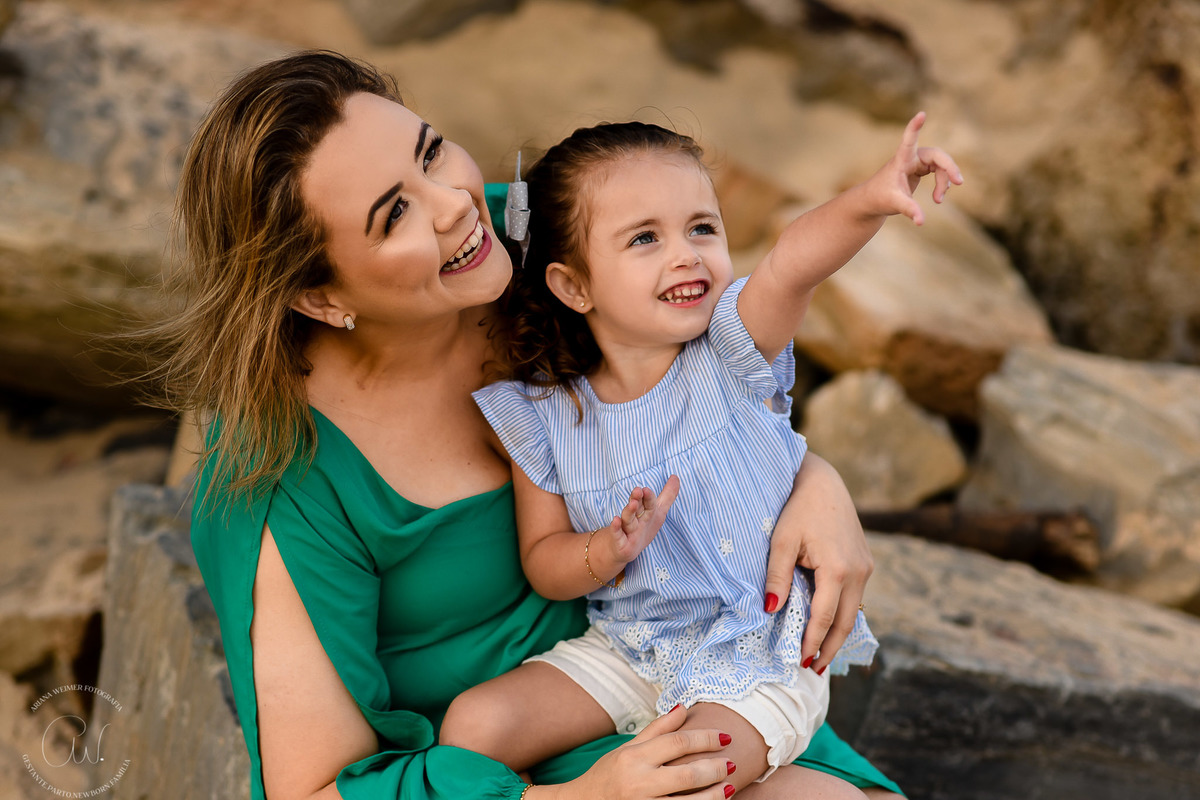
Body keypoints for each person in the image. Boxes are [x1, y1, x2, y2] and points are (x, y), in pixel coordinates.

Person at [147, 49, 902, 800]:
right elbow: (312, 792)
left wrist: (815, 485)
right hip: (503, 769)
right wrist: (585, 798)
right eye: (395, 213)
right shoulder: (281, 483)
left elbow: (720, 377)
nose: (455, 203)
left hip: (701, 649)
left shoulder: (533, 246)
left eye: (431, 153)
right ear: (319, 296)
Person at [452, 119, 959, 793]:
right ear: (574, 287)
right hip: (631, 645)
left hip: (759, 653)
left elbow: (793, 261)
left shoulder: (732, 349)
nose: (686, 255)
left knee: (688, 775)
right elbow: (545, 561)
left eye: (701, 228)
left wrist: (871, 198)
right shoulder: (547, 415)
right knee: (475, 725)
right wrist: (605, 550)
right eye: (645, 238)